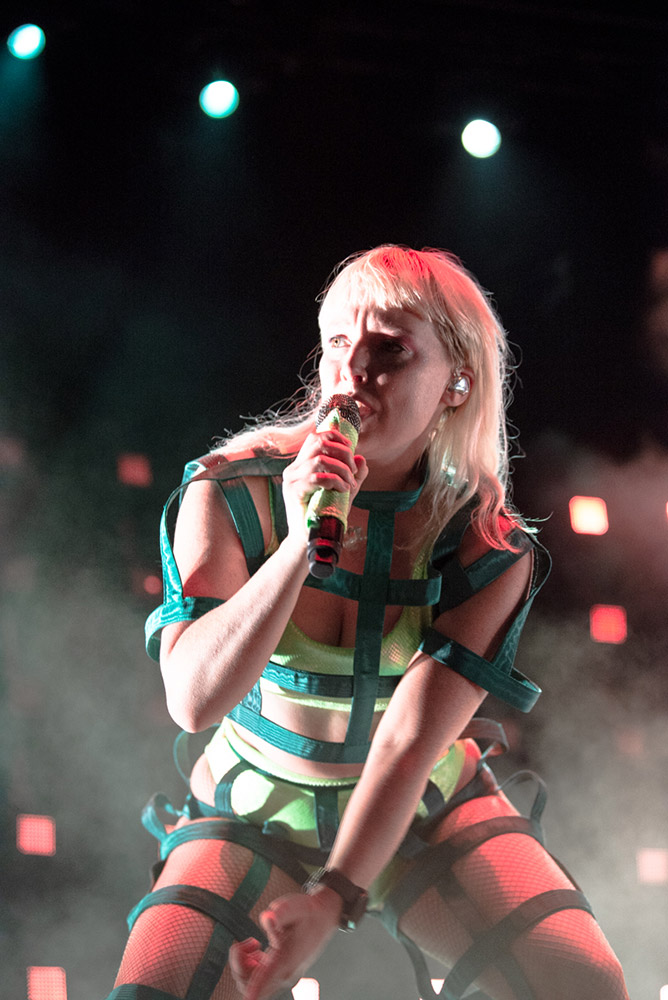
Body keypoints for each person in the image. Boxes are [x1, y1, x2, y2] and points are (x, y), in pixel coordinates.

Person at [105, 245, 629, 1000]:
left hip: (419, 807)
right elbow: (192, 700)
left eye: (390, 350)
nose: (352, 371)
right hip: (256, 806)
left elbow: (409, 743)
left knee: (585, 983)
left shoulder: (486, 546)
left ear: (457, 382)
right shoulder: (231, 492)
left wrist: (333, 898)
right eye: (338, 342)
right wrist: (298, 545)